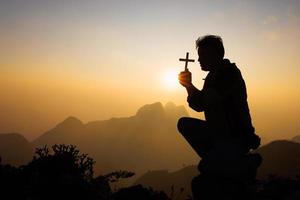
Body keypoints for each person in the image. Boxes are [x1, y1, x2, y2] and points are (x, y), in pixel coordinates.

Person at [177, 35, 260, 159]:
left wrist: (189, 85)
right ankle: (215, 156)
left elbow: (203, 102)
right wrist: (188, 86)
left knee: (185, 125)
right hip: (221, 131)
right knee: (184, 124)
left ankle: (220, 157)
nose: (199, 60)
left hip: (234, 135)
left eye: (202, 55)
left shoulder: (228, 74)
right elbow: (199, 105)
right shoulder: (214, 75)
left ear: (214, 55)